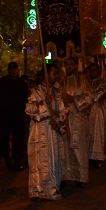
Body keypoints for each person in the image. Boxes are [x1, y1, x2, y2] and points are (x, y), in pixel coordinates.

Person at [26, 65, 67, 200]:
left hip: (52, 131)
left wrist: (58, 120)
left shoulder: (56, 91)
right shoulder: (35, 91)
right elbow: (29, 109)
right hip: (39, 131)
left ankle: (51, 188)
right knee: (38, 161)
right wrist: (44, 103)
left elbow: (63, 110)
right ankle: (37, 190)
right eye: (53, 72)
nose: (55, 75)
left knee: (53, 159)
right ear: (46, 74)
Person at [60, 57, 93, 187]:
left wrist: (74, 99)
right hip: (63, 119)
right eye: (66, 64)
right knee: (63, 148)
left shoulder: (82, 81)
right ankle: (64, 176)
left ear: (75, 66)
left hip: (78, 119)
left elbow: (90, 97)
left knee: (79, 147)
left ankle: (80, 177)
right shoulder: (59, 81)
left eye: (71, 64)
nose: (68, 67)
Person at [0, 61, 30, 171]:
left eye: (15, 69)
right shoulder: (2, 83)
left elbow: (26, 100)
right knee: (4, 139)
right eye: (11, 69)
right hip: (5, 116)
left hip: (18, 116)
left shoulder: (22, 84)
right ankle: (8, 161)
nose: (13, 71)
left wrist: (25, 114)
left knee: (18, 140)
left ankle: (17, 162)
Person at [87, 62, 106, 167]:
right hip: (87, 111)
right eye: (90, 70)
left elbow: (99, 96)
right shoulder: (85, 82)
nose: (92, 72)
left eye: (94, 70)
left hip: (97, 111)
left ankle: (97, 157)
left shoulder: (102, 83)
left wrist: (88, 98)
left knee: (98, 133)